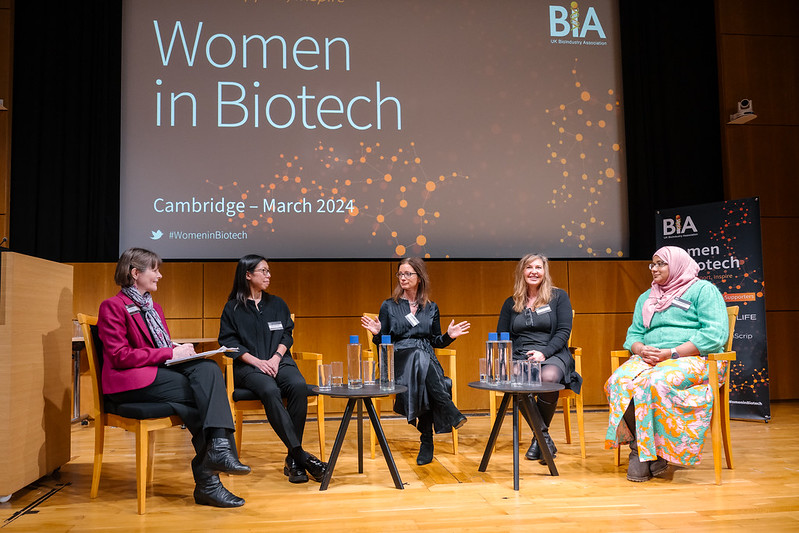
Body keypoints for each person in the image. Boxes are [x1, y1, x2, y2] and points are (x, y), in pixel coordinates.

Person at [97, 248, 249, 508]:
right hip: (128, 382)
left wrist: (180, 351)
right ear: (135, 273)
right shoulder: (112, 306)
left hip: (156, 374)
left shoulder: (154, 308)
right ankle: (212, 473)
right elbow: (120, 356)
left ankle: (217, 457)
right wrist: (170, 352)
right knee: (202, 394)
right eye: (154, 269)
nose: (160, 275)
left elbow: (161, 347)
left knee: (209, 369)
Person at [605, 246, 729, 482]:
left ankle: (644, 454)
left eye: (661, 263)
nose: (655, 269)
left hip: (694, 358)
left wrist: (671, 353)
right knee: (617, 382)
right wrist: (640, 348)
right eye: (653, 264)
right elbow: (634, 334)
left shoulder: (703, 291)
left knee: (654, 381)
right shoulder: (647, 297)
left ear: (678, 264)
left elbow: (714, 335)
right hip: (651, 359)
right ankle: (644, 451)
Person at [218, 254, 327, 484]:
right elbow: (228, 342)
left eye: (268, 271)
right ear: (248, 275)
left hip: (280, 362)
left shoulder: (277, 304)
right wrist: (258, 362)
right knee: (269, 390)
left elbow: (287, 334)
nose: (269, 275)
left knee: (298, 385)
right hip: (249, 367)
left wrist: (276, 358)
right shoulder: (233, 308)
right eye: (263, 271)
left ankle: (294, 459)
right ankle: (300, 457)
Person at [361, 257, 470, 465]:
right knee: (421, 358)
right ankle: (447, 409)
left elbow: (436, 341)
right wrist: (376, 333)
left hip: (425, 360)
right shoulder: (389, 306)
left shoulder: (431, 307)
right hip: (397, 360)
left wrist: (449, 336)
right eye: (400, 274)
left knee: (428, 369)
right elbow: (383, 342)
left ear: (419, 277)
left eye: (407, 274)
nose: (403, 278)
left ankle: (426, 440)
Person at [496, 253, 582, 463]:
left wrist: (544, 353)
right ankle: (543, 438)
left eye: (538, 268)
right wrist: (505, 361)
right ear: (522, 272)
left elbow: (563, 331)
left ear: (545, 272)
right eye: (529, 267)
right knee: (514, 377)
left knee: (549, 376)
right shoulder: (511, 303)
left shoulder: (558, 297)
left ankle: (539, 439)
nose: (534, 271)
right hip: (521, 355)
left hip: (552, 352)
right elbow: (501, 336)